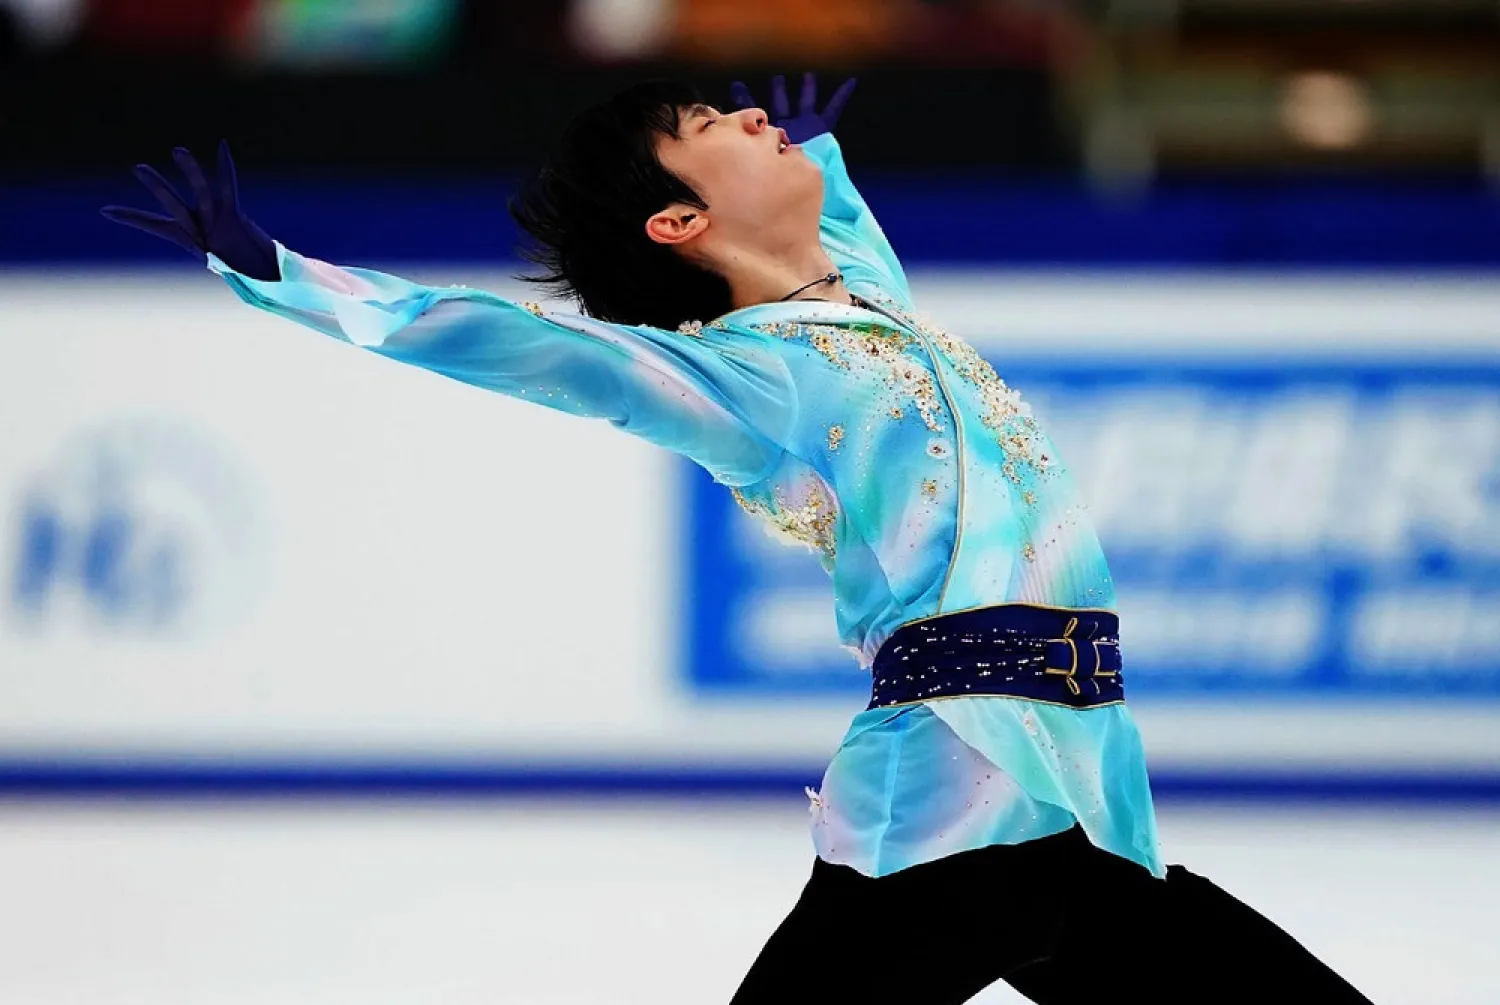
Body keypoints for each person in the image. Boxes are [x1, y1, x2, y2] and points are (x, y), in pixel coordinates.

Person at [103, 74, 1374, 1004]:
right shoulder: (743, 380)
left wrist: (813, 142)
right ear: (675, 225)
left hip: (1073, 808)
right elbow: (528, 347)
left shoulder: (866, 305)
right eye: (712, 128)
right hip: (939, 811)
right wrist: (278, 269)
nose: (748, 117)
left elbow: (841, 249)